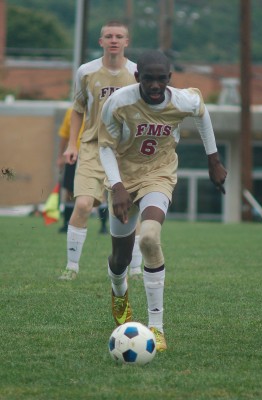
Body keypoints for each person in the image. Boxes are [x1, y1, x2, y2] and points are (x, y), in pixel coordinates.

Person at [98, 50, 227, 351]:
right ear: (137, 77)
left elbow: (202, 114)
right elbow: (105, 147)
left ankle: (156, 328)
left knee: (150, 238)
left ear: (170, 79)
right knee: (121, 259)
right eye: (148, 79)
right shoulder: (118, 103)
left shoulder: (183, 100)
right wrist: (117, 186)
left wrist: (214, 159)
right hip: (123, 176)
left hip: (159, 172)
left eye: (161, 79)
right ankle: (119, 295)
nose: (155, 85)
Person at [58, 20, 142, 280]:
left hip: (125, 153)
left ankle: (137, 268)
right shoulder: (86, 71)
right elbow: (78, 110)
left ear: (127, 42)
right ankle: (71, 267)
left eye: (119, 36)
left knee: (128, 212)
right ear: (101, 41)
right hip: (93, 147)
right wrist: (72, 144)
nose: (114, 40)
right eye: (109, 36)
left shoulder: (138, 72)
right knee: (82, 205)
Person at [56, 108, 109, 235]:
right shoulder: (72, 111)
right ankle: (66, 224)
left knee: (101, 191)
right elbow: (65, 135)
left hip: (95, 156)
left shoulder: (101, 109)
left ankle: (103, 226)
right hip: (75, 155)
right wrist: (61, 156)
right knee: (69, 190)